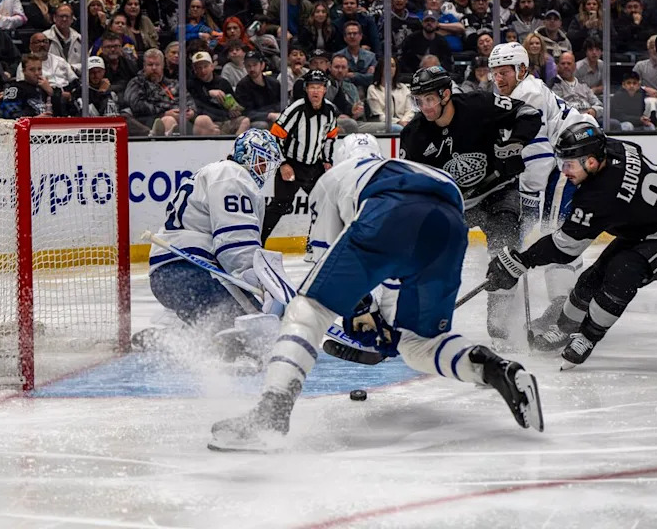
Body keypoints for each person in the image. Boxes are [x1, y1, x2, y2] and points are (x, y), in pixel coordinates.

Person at [209, 135, 543, 451]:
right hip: (450, 225)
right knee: (417, 343)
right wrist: (383, 321)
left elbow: (330, 261)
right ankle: (496, 369)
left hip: (388, 211)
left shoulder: (334, 178)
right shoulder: (407, 167)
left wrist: (359, 309)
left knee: (307, 310)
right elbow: (395, 271)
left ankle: (272, 412)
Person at [486, 122, 657, 367]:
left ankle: (588, 337)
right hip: (647, 227)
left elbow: (566, 248)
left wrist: (522, 261)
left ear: (591, 162)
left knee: (623, 271)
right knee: (591, 279)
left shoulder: (599, 196)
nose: (564, 171)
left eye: (570, 164)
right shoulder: (614, 148)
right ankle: (564, 329)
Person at [399, 65, 541, 344]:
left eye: (429, 99)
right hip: (457, 203)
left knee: (504, 253)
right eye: (419, 100)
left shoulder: (479, 104)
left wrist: (515, 142)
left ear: (445, 94)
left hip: (499, 190)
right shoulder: (414, 135)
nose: (424, 106)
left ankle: (499, 321)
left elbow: (528, 113)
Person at [142, 129, 293, 365]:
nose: (265, 169)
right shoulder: (233, 176)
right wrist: (261, 285)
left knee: (224, 322)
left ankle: (174, 331)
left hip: (171, 275)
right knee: (255, 328)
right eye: (262, 161)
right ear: (247, 156)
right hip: (191, 272)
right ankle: (230, 354)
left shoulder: (216, 173)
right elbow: (235, 244)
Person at [488, 41, 599, 340]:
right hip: (569, 159)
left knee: (554, 233)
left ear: (521, 70)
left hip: (573, 160)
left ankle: (563, 310)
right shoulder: (515, 95)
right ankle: (565, 305)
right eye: (494, 73)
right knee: (557, 233)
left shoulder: (529, 95)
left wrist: (527, 203)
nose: (498, 79)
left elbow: (537, 160)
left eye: (504, 72)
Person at [260, 69, 339, 243]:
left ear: (325, 89)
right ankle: (258, 240)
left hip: (314, 166)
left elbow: (330, 138)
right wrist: (282, 164)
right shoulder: (296, 110)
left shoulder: (330, 111)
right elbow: (275, 135)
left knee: (323, 204)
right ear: (306, 89)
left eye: (319, 87)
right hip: (292, 164)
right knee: (280, 205)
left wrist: (327, 160)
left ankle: (314, 243)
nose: (316, 91)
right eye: (312, 87)